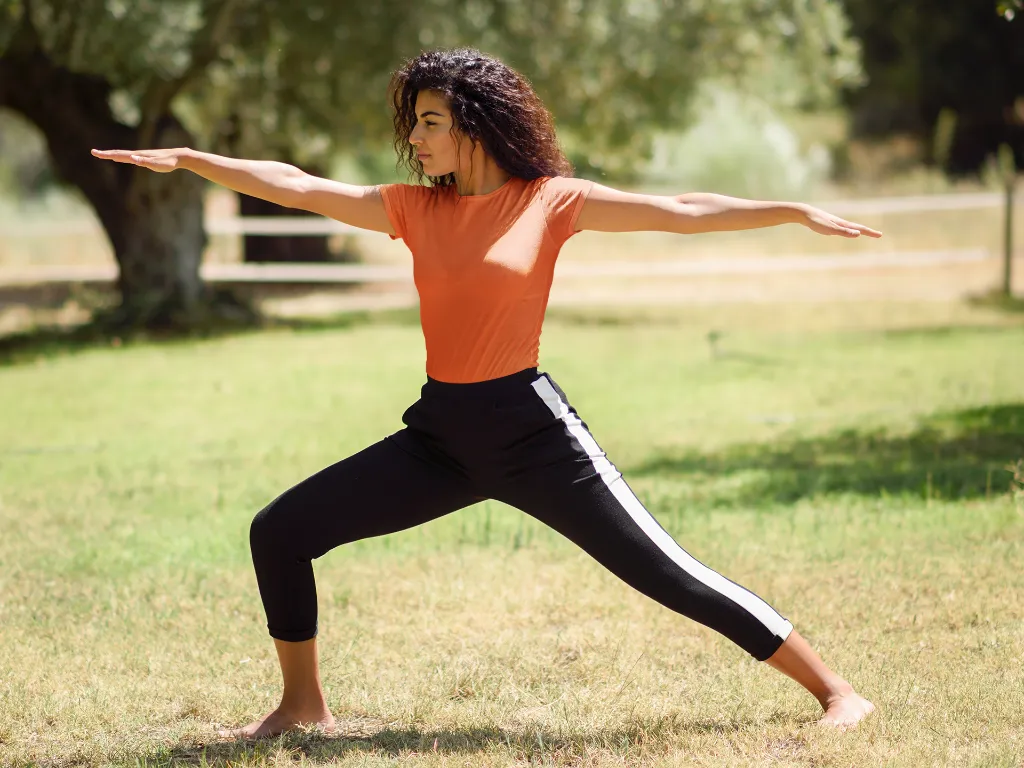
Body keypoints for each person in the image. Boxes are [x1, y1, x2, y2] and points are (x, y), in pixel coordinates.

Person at [93, 48, 881, 741]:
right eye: (415, 123)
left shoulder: (551, 200)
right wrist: (196, 159)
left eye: (432, 121)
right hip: (442, 437)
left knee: (667, 572)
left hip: (532, 435)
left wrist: (792, 210)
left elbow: (680, 209)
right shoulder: (412, 208)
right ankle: (302, 706)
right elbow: (296, 185)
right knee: (280, 531)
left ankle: (836, 690)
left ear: (474, 122)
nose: (416, 139)